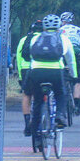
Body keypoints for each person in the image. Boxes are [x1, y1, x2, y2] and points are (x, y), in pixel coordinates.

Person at [24, 14, 77, 147]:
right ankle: (59, 115)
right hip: (55, 71)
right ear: (59, 26)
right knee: (60, 93)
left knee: (37, 102)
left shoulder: (35, 37)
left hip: (36, 71)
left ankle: (36, 136)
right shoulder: (63, 38)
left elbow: (28, 56)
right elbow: (71, 60)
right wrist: (74, 75)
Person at [16, 19, 43, 136]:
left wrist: (20, 75)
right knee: (41, 96)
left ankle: (27, 124)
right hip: (41, 69)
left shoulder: (24, 40)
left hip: (26, 69)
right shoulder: (46, 39)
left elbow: (18, 57)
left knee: (27, 95)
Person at [59, 12, 80, 114]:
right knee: (77, 81)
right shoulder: (78, 30)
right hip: (76, 52)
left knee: (61, 76)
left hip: (63, 52)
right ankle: (77, 105)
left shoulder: (59, 30)